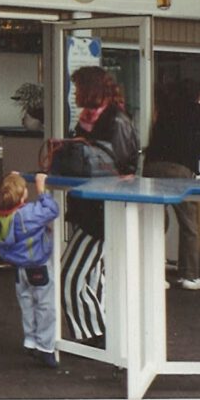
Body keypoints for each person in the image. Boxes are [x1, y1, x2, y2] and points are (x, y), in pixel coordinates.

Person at [61, 65, 139, 345]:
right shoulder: (101, 118)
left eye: (78, 87)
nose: (75, 93)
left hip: (101, 210)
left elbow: (119, 166)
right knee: (93, 277)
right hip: (94, 208)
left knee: (70, 276)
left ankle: (97, 334)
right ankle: (105, 333)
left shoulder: (113, 121)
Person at [143, 79, 200, 290]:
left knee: (156, 219)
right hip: (180, 169)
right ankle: (190, 276)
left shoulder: (166, 110)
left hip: (152, 166)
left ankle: (155, 272)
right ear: (199, 95)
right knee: (188, 223)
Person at [0, 171, 60, 368]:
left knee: (27, 303)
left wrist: (9, 180)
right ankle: (46, 347)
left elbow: (2, 195)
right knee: (45, 306)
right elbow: (52, 209)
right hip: (38, 265)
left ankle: (30, 340)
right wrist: (41, 189)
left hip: (19, 267)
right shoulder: (27, 215)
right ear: (22, 198)